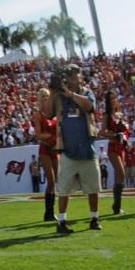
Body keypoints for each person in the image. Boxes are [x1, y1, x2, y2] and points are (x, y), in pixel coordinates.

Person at [53, 65, 102, 234]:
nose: (72, 77)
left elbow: (89, 107)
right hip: (68, 149)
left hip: (87, 148)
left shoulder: (87, 93)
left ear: (81, 76)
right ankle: (61, 221)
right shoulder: (60, 97)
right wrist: (53, 90)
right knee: (64, 189)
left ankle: (94, 218)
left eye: (75, 74)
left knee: (93, 187)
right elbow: (46, 112)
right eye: (69, 75)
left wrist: (71, 94)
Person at [32, 87, 58, 222]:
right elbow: (38, 134)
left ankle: (50, 212)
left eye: (47, 96)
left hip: (55, 148)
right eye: (42, 96)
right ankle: (49, 212)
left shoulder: (55, 114)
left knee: (55, 181)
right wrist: (50, 137)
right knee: (51, 180)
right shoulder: (38, 115)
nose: (45, 99)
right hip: (45, 149)